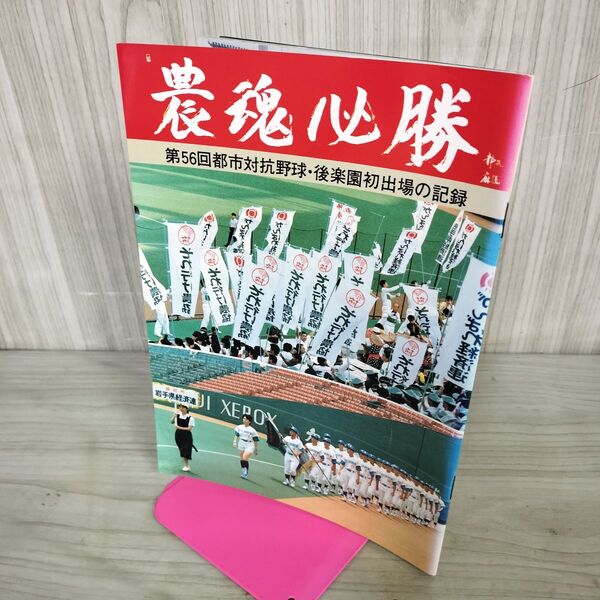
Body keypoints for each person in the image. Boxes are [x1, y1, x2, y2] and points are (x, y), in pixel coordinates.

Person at [233, 413, 259, 479]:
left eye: (246, 419)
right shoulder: (239, 427)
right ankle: (243, 469)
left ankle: (245, 472)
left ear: (249, 421)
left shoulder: (252, 430)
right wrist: (234, 442)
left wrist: (256, 449)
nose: (244, 420)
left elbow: (255, 440)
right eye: (244, 418)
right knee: (242, 458)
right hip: (241, 443)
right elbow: (236, 435)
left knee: (245, 457)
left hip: (250, 444)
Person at [170, 404, 195, 472]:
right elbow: (172, 422)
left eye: (183, 407)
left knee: (186, 450)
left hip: (187, 436)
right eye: (180, 407)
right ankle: (185, 464)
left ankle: (186, 466)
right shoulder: (177, 415)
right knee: (182, 450)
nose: (181, 408)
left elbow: (189, 429)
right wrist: (173, 416)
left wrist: (179, 427)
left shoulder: (190, 418)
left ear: (186, 409)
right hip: (178, 435)